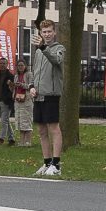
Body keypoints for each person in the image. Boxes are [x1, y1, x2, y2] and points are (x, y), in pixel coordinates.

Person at [28, 20, 68, 176]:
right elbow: (35, 71)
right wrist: (31, 86)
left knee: (54, 128)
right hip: (38, 96)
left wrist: (43, 47)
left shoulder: (59, 49)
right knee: (42, 130)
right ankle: (46, 162)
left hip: (51, 94)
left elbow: (56, 60)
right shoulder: (38, 52)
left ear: (54, 32)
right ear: (40, 33)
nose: (47, 34)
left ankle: (56, 165)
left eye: (49, 31)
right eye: (44, 32)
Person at [0, 58, 18, 146]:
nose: (2, 65)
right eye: (1, 63)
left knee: (4, 121)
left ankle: (1, 138)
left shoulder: (10, 76)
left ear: (7, 65)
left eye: (4, 63)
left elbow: (13, 89)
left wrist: (8, 97)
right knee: (6, 121)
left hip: (6, 102)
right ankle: (11, 139)